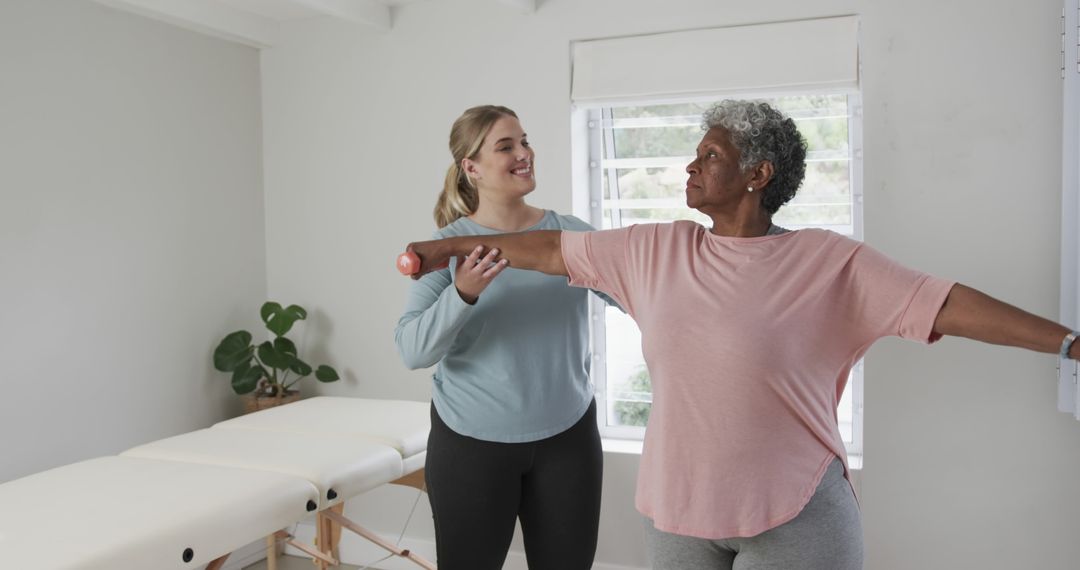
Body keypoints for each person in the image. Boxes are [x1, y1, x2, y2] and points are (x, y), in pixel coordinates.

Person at [401, 99, 1080, 570]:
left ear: (759, 175)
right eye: (695, 153)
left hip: (795, 515)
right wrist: (440, 253)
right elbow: (546, 250)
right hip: (676, 516)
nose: (690, 167)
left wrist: (1069, 342)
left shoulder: (829, 261)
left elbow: (947, 304)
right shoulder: (654, 249)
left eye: (711, 155)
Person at [394, 105, 615, 570]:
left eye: (524, 141)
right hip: (471, 445)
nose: (524, 153)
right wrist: (462, 294)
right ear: (470, 168)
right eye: (506, 145)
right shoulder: (447, 247)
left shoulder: (570, 234)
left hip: (568, 439)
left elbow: (636, 290)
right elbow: (413, 349)